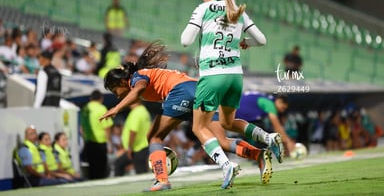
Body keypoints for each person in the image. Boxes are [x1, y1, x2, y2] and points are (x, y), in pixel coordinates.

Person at [99, 42, 274, 192]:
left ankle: (162, 180)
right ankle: (258, 155)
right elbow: (138, 94)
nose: (116, 95)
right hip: (199, 90)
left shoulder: (136, 77)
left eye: (115, 90)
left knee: (154, 137)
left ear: (121, 81)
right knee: (221, 140)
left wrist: (116, 109)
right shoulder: (141, 77)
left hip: (180, 92)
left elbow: (137, 91)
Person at [180, 0, 283, 189]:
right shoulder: (236, 11)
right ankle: (267, 138)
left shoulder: (202, 9)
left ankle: (227, 165)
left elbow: (185, 41)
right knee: (227, 123)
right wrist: (245, 42)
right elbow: (261, 40)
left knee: (199, 127)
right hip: (235, 76)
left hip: (212, 75)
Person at [80, 90, 113, 179]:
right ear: (101, 98)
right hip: (100, 143)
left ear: (91, 98)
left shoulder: (85, 108)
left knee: (92, 170)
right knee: (101, 170)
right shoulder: (102, 108)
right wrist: (109, 143)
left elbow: (82, 128)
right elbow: (107, 127)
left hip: (88, 143)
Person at [114, 102, 151, 176]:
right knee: (141, 170)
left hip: (136, 148)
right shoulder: (144, 111)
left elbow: (133, 131)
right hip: (143, 146)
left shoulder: (136, 113)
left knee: (140, 172)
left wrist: (129, 148)